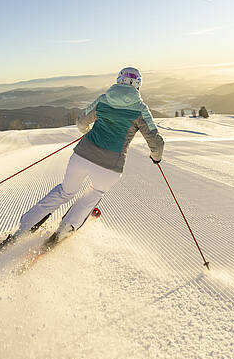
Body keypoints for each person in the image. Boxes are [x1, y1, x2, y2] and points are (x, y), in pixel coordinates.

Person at [15, 67, 164, 242]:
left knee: (65, 192)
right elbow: (156, 142)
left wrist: (86, 131)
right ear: (138, 84)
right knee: (93, 195)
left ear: (118, 80)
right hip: (110, 165)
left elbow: (81, 121)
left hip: (82, 156)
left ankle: (26, 226)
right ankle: (65, 230)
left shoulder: (104, 99)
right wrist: (156, 157)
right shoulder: (140, 109)